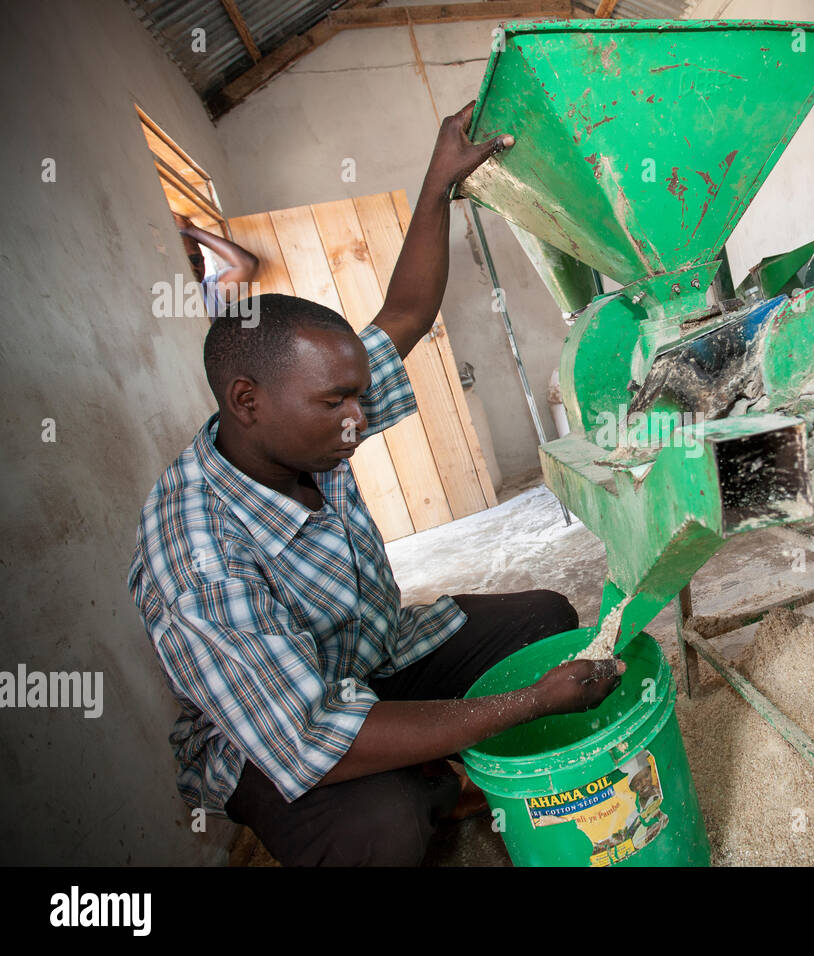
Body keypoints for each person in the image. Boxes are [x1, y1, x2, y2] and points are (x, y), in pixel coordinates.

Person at [129, 102, 625, 866]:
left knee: (545, 617)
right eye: (337, 403)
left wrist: (436, 187)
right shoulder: (194, 551)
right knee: (381, 830)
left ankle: (441, 768)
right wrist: (525, 705)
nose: (360, 420)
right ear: (246, 401)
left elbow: (405, 312)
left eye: (359, 395)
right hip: (269, 732)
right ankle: (424, 782)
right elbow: (310, 733)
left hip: (376, 655)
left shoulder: (312, 431)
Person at [173, 212, 259, 320]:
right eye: (184, 261)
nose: (192, 268)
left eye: (195, 259)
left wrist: (190, 229)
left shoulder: (210, 291)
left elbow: (247, 265)